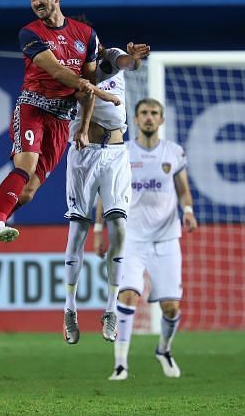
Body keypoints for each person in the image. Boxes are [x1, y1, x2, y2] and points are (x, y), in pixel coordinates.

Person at [0, 0, 120, 252]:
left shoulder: (86, 35)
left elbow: (88, 86)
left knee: (28, 192)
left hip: (61, 119)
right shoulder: (30, 33)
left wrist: (82, 129)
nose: (36, 3)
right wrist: (98, 91)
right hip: (33, 107)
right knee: (26, 165)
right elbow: (57, 71)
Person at [99, 98, 197, 380]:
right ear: (136, 118)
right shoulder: (123, 152)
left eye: (154, 113)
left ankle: (164, 349)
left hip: (166, 239)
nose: (149, 118)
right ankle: (120, 364)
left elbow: (183, 190)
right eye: (144, 113)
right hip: (131, 239)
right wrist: (97, 230)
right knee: (128, 295)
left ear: (162, 120)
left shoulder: (174, 152)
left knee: (171, 307)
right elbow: (105, 192)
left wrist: (188, 211)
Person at [61, 33, 149, 345]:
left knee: (120, 229)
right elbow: (85, 94)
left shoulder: (110, 56)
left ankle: (110, 310)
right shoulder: (69, 69)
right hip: (83, 156)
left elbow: (127, 63)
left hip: (115, 153)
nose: (92, 50)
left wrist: (135, 58)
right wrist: (84, 128)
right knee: (78, 234)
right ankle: (69, 309)